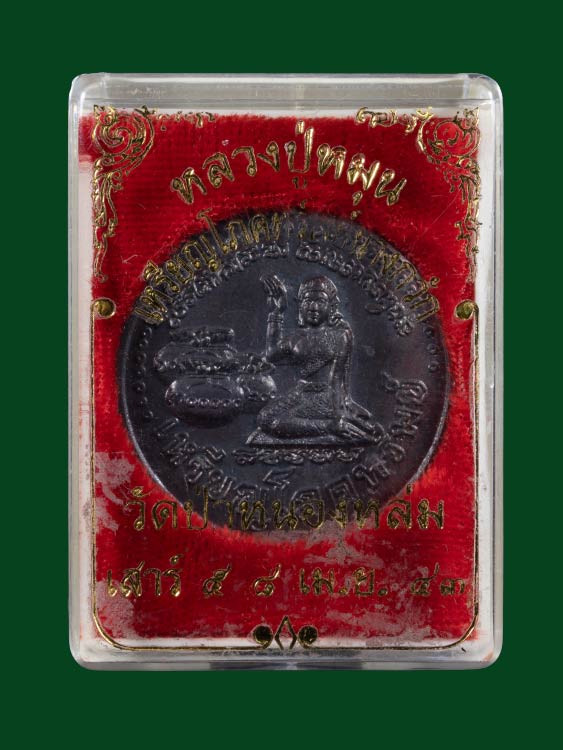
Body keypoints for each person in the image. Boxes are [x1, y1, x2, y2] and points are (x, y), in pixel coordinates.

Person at [247, 274, 377, 445]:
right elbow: (271, 356)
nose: (314, 307)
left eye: (320, 302)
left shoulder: (339, 335)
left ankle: (331, 427)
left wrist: (339, 413)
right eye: (308, 301)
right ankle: (328, 427)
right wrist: (276, 312)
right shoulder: (297, 337)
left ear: (331, 307)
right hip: (300, 393)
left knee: (273, 422)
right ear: (300, 305)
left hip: (325, 396)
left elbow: (337, 379)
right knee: (264, 418)